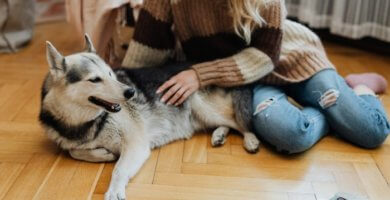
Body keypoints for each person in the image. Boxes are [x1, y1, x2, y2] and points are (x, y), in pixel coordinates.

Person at [121, 0, 390, 154]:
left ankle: (361, 86)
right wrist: (119, 89)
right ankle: (328, 111)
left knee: (371, 132)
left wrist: (199, 74)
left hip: (294, 58)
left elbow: (265, 57)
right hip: (246, 81)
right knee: (292, 136)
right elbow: (147, 51)